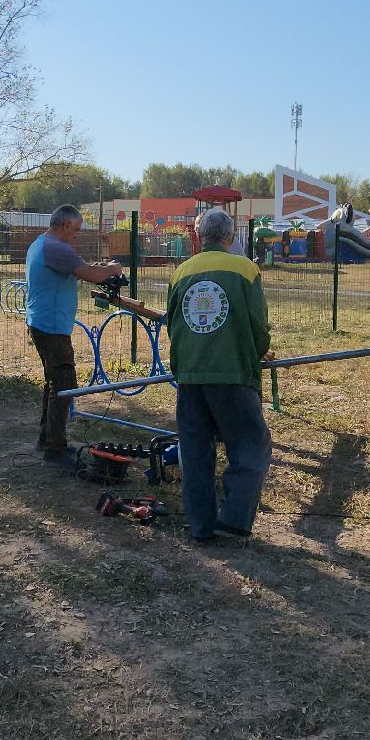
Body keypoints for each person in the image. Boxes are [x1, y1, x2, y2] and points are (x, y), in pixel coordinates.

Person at [166, 208, 272, 543]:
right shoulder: (245, 269)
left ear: (199, 236)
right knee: (250, 445)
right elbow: (258, 325)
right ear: (230, 237)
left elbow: (173, 323)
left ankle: (201, 527)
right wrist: (257, 353)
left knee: (195, 451)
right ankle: (235, 522)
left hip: (190, 374)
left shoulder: (181, 272)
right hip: (233, 373)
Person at [27, 204, 123, 470]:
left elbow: (80, 267)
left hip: (41, 323)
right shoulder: (57, 248)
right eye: (77, 230)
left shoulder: (40, 243)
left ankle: (46, 440)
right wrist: (112, 270)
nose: (77, 236)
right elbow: (89, 274)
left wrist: (101, 267)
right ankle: (55, 451)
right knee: (64, 385)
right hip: (52, 328)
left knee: (53, 383)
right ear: (66, 225)